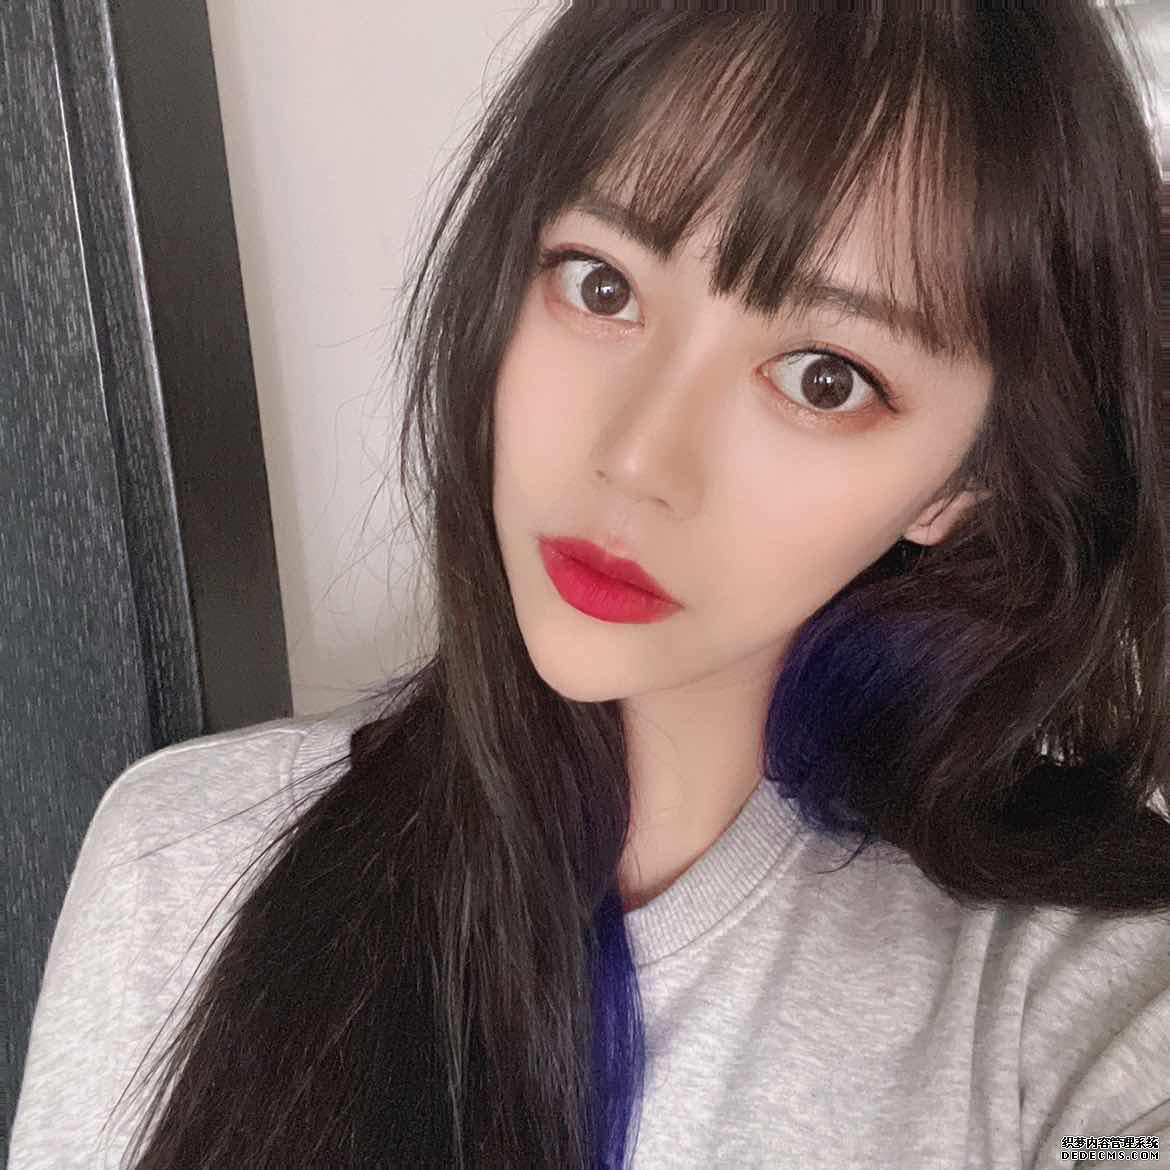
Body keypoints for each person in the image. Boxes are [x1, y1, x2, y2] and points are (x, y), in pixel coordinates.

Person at [11, 4, 1170, 1168]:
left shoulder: (1071, 996)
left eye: (825, 378)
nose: (638, 457)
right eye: (602, 286)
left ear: (962, 482)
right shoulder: (184, 858)